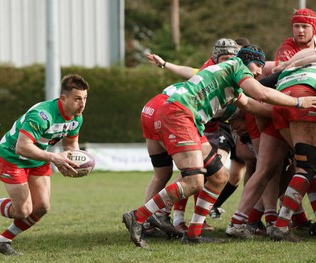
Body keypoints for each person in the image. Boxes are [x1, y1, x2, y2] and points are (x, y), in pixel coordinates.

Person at [122, 44, 316, 248]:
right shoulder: (236, 66)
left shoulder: (230, 78)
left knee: (219, 176)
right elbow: (261, 94)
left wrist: (280, 113)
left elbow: (251, 105)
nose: (260, 71)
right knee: (194, 181)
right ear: (247, 61)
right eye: (257, 66)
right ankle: (140, 215)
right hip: (179, 114)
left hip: (187, 118)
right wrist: (298, 103)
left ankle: (193, 234)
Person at [0, 74, 89, 255]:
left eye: (85, 98)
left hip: (39, 157)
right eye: (77, 99)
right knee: (22, 211)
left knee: (41, 207)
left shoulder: (76, 118)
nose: (82, 104)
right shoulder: (42, 115)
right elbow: (22, 147)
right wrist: (55, 158)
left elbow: (71, 145)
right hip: (12, 156)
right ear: (63, 98)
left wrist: (74, 164)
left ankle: (2, 241)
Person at [226, 8, 316, 238]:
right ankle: (278, 222)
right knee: (302, 167)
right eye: (296, 26)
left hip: (277, 105)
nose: (300, 30)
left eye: (305, 26)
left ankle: (241, 222)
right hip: (284, 103)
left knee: (279, 167)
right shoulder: (287, 47)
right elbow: (265, 85)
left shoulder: (302, 53)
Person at [143, 38, 240, 235]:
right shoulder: (221, 74)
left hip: (154, 108)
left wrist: (164, 64)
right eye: (225, 57)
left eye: (233, 58)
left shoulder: (213, 69)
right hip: (173, 113)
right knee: (198, 172)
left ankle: (150, 220)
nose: (229, 62)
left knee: (164, 173)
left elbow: (190, 71)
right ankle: (176, 220)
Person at [269, 62, 316, 242]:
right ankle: (281, 226)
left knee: (310, 164)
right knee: (306, 168)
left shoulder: (297, 62)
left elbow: (265, 78)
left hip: (280, 102)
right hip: (304, 99)